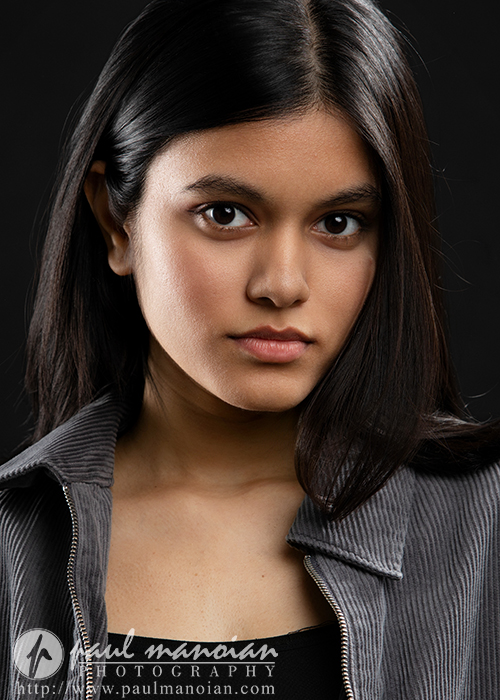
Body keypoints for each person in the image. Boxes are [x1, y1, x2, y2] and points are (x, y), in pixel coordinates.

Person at [1, 0, 499, 698]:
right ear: (116, 221)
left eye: (338, 222)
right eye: (226, 215)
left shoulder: (485, 528)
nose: (282, 284)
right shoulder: (14, 543)